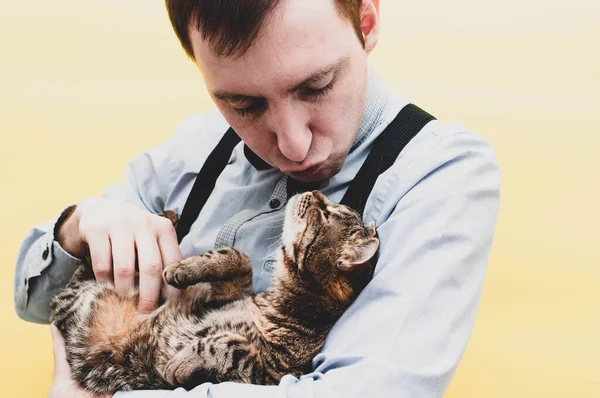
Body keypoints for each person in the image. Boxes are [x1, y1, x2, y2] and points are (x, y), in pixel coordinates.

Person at [14, 0, 501, 397]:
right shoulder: (198, 143)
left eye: (316, 86)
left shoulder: (442, 172)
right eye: (243, 104)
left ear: (367, 24)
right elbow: (32, 301)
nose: (293, 145)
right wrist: (77, 228)